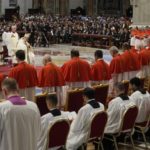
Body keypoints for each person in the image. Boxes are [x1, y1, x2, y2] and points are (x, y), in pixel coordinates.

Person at [0, 78, 41, 150]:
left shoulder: (2, 108)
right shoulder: (33, 106)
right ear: (18, 90)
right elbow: (38, 131)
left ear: (4, 91)